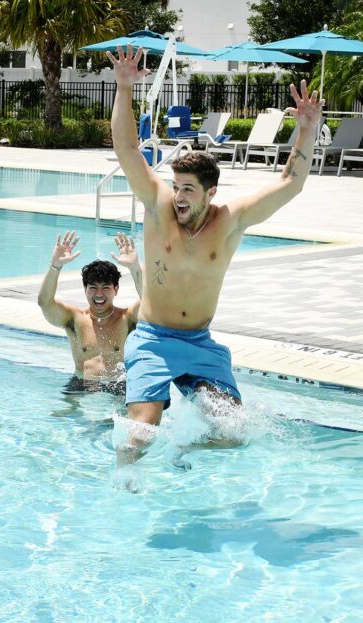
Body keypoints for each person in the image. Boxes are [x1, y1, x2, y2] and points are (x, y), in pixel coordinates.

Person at [107, 45, 323, 465]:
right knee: (140, 432)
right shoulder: (158, 205)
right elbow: (128, 150)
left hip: (200, 343)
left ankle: (182, 448)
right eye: (177, 185)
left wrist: (307, 130)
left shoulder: (231, 221)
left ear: (210, 193)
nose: (179, 196)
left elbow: (290, 185)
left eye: (189, 189)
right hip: (152, 339)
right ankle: (124, 487)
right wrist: (123, 88)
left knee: (233, 433)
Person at [37, 232, 143, 394]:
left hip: (119, 386)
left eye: (106, 288)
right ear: (85, 289)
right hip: (80, 383)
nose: (99, 295)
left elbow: (151, 303)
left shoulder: (127, 318)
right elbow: (45, 302)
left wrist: (135, 267)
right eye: (93, 287)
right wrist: (55, 266)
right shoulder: (74, 318)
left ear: (116, 289)